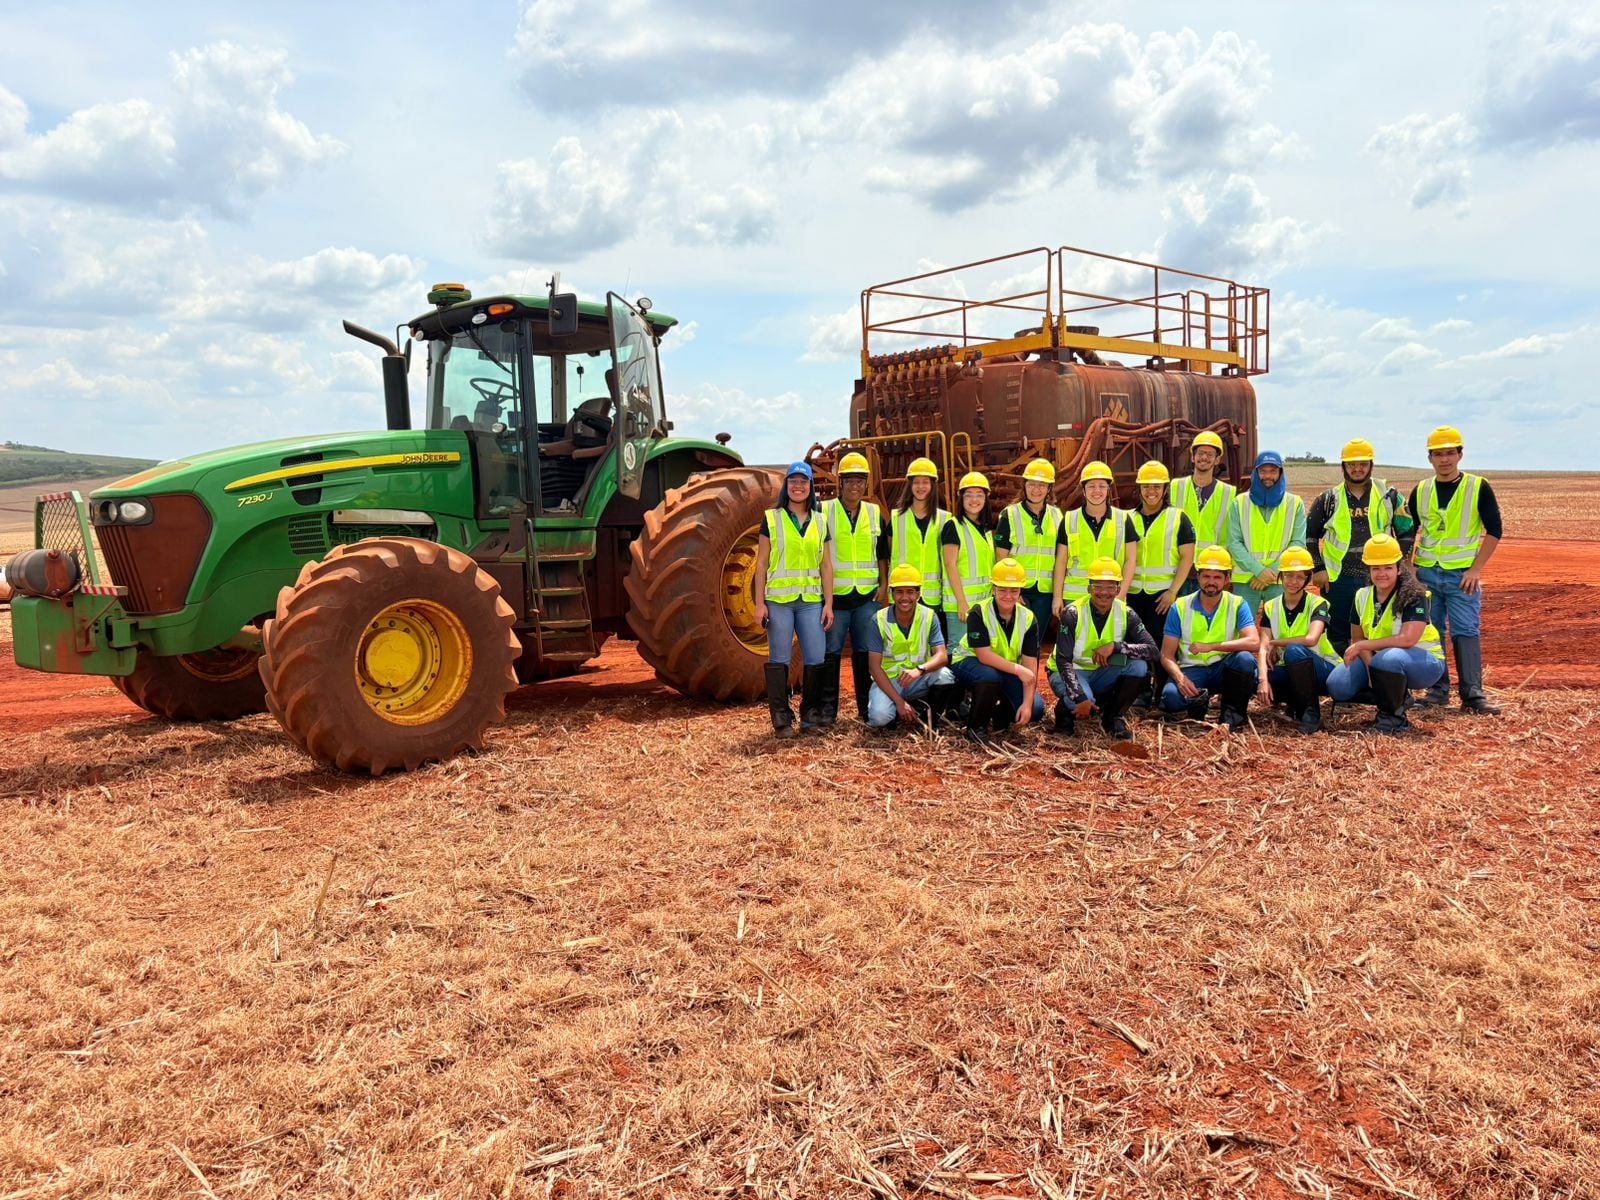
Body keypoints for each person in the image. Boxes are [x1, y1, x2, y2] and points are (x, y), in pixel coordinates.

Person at [1409, 425, 1503, 715]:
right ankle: (1438, 691)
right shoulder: (1421, 490)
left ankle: (1472, 695)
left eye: (1450, 453)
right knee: (1431, 632)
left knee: (1465, 630)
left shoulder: (1477, 487)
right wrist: (1410, 570)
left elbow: (1495, 530)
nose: (1445, 459)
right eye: (1438, 454)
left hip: (1462, 576)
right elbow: (1407, 530)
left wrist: (1476, 569)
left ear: (1460, 454)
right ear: (1430, 458)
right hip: (1426, 574)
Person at [1326, 534, 1445, 734]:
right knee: (1338, 686)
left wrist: (1365, 650)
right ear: (1369, 570)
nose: (1382, 574)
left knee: (1387, 659)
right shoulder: (1362, 596)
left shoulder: (1415, 595)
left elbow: (1408, 639)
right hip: (1382, 661)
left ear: (1399, 569)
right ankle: (1398, 696)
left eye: (1388, 567)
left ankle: (1393, 718)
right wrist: (1370, 666)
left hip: (1424, 663)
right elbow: (1357, 637)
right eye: (1376, 568)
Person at [1306, 438, 1413, 655]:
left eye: (1362, 464)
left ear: (1371, 465)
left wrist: (1398, 567)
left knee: (1377, 630)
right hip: (1338, 578)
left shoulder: (1389, 495)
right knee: (1337, 633)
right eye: (1351, 464)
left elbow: (1407, 532)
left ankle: (1378, 678)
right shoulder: (1328, 499)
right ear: (1343, 467)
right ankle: (1342, 680)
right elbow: (1309, 536)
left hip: (1378, 577)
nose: (1357, 469)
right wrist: (1318, 569)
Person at [753, 462, 833, 737]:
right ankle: (781, 719)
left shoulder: (821, 520)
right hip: (778, 601)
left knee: (815, 656)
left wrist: (829, 604)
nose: (798, 487)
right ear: (786, 486)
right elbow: (761, 564)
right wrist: (759, 603)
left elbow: (825, 566)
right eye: (793, 481)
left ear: (810, 487)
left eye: (803, 482)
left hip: (810, 600)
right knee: (780, 658)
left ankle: (809, 715)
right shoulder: (772, 518)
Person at [1047, 557, 1158, 741]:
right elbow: (1063, 660)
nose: (1104, 593)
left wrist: (1116, 647)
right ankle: (1064, 714)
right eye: (1098, 586)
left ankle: (1113, 717)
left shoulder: (1126, 613)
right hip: (1068, 671)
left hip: (1100, 671)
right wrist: (1080, 696)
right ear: (1089, 588)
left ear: (1119, 588)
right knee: (1082, 700)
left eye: (1110, 587)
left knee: (1139, 667)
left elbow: (1153, 651)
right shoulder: (1072, 613)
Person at [1158, 545, 1260, 732]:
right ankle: (1199, 702)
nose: (1211, 582)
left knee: (1244, 659)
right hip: (1192, 669)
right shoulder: (1179, 606)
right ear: (1197, 577)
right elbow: (1166, 655)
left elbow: (1253, 641)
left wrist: (1211, 646)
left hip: (1223, 668)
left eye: (1217, 577)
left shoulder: (1237, 604)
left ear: (1227, 579)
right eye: (1206, 576)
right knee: (1171, 699)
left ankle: (1232, 715)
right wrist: (1180, 679)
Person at [821, 451, 888, 725]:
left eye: (860, 481)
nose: (855, 486)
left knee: (865, 654)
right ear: (841, 483)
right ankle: (828, 711)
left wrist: (884, 584)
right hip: (835, 599)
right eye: (849, 481)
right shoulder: (824, 511)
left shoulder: (874, 513)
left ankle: (865, 709)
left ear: (865, 484)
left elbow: (882, 553)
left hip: (866, 597)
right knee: (831, 654)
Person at [951, 557, 1046, 743]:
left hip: (1004, 668)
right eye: (1002, 589)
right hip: (970, 662)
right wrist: (1018, 670)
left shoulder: (1028, 618)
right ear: (993, 588)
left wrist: (1027, 704)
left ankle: (999, 715)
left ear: (1020, 591)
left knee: (1035, 710)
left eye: (1014, 590)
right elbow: (984, 656)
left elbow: (1030, 663)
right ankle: (976, 726)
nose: (1008, 595)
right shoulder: (979, 612)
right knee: (989, 677)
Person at [1127, 460, 1196, 702]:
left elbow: (1187, 557)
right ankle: (1142, 691)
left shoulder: (1178, 518)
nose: (1151, 491)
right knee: (1136, 644)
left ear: (1165, 489)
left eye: (1156, 486)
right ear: (1139, 489)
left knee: (1161, 644)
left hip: (1162, 595)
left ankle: (1164, 689)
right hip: (1134, 593)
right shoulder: (1128, 518)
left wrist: (1173, 592)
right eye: (1146, 486)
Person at [1256, 546, 1340, 735]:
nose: (1293, 582)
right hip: (1295, 668)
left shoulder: (1318, 603)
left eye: (1300, 577)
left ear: (1307, 579)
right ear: (1281, 576)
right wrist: (1262, 680)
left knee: (1294, 650)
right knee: (1256, 674)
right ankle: (1295, 703)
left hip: (1324, 668)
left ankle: (1311, 714)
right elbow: (1262, 648)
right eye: (1289, 576)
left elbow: (1311, 639)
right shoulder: (1271, 606)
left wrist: (1275, 643)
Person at [864, 565, 957, 729]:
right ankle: (899, 709)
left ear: (918, 594)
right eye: (899, 591)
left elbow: (942, 656)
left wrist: (919, 670)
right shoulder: (878, 620)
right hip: (890, 681)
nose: (904, 597)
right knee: (879, 718)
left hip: (918, 677)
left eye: (910, 591)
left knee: (945, 676)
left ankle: (929, 719)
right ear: (891, 594)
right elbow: (874, 667)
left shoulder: (929, 616)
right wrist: (899, 703)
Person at [1225, 449, 1306, 616]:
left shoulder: (1295, 503)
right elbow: (1234, 542)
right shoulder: (1239, 503)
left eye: (1273, 471)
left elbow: (1297, 543)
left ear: (1280, 473)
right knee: (1240, 632)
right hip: (1245, 580)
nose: (1268, 476)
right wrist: (1258, 570)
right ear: (1256, 473)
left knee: (1280, 632)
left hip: (1280, 580)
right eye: (1263, 471)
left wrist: (1271, 573)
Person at [1052, 460, 1139, 615]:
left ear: (1108, 490)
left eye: (1101, 486)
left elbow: (1131, 560)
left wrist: (1121, 594)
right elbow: (1061, 561)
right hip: (1075, 596)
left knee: (1110, 639)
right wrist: (1057, 597)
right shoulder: (1069, 519)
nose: (1096, 491)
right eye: (1091, 486)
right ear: (1084, 491)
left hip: (1110, 596)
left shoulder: (1123, 519)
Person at [995, 458, 1063, 638]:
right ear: (1024, 486)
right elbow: (1001, 557)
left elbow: (1061, 558)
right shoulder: (1010, 514)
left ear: (1049, 488)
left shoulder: (1057, 516)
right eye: (1032, 484)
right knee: (1015, 639)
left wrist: (1057, 595)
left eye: (1042, 485)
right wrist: (1011, 592)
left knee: (1035, 640)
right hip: (1018, 591)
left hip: (1044, 592)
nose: (1036, 489)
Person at [889, 456, 950, 632]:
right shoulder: (896, 518)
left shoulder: (945, 519)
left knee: (932, 646)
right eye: (916, 482)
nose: (921, 487)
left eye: (925, 482)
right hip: (903, 595)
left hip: (932, 596)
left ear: (932, 486)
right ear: (910, 485)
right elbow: (887, 555)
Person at [940, 471, 996, 662]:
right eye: (969, 495)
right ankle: (954, 692)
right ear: (961, 498)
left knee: (978, 650)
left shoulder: (985, 529)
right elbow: (950, 564)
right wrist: (961, 602)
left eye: (979, 495)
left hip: (981, 604)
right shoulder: (953, 526)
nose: (974, 500)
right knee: (958, 651)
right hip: (961, 605)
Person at [1169, 430, 1237, 580]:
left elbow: (1230, 534)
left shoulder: (1228, 492)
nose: (1204, 457)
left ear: (1217, 459)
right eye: (1200, 453)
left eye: (1210, 454)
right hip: (1178, 567)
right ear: (1193, 457)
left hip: (1211, 569)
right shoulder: (1175, 487)